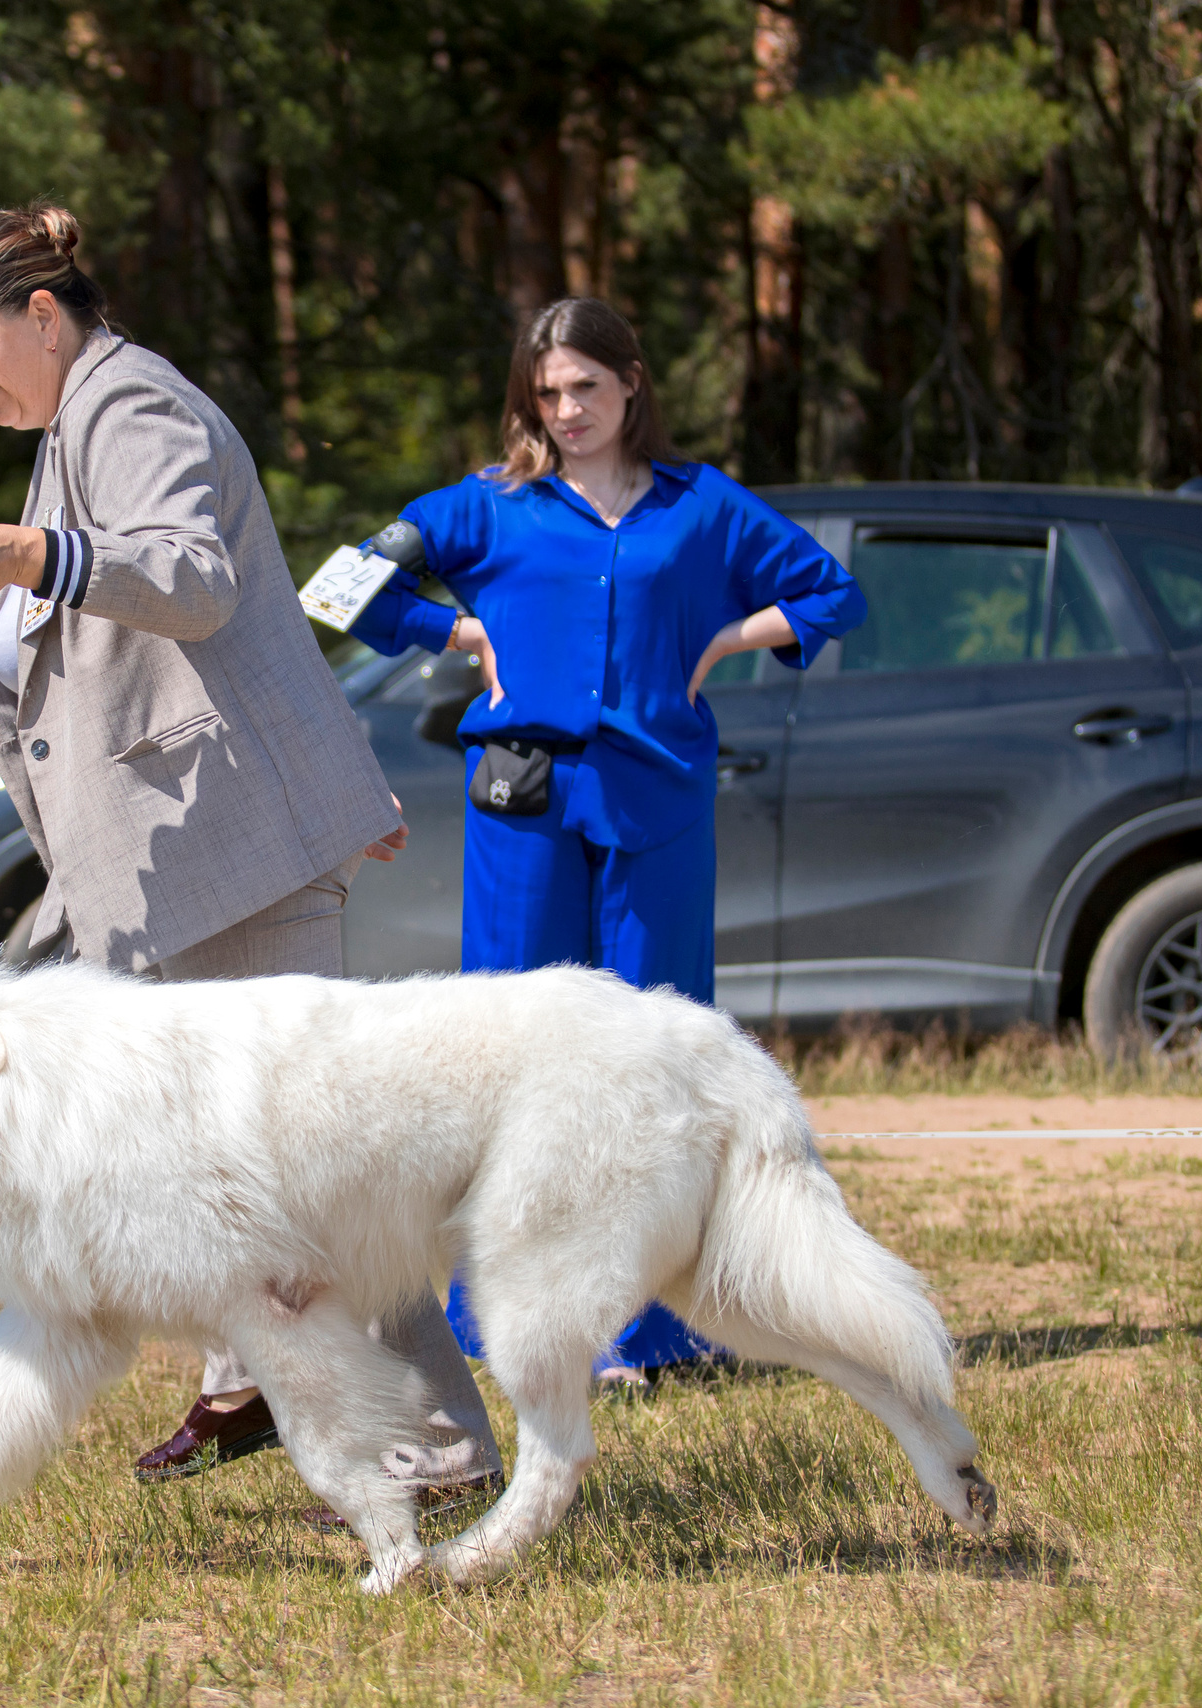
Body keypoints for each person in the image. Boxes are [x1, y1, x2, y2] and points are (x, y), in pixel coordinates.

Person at [0, 201, 502, 1509]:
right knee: (212, 1165)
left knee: (305, 1179)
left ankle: (443, 1461)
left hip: (228, 859)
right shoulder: (75, 423)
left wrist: (34, 554)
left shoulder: (128, 408)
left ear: (43, 316)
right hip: (180, 864)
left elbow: (192, 580)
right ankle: (249, 1381)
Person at [350, 296, 866, 1386]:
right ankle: (494, 1321)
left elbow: (834, 593)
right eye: (547, 392)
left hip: (659, 803)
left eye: (586, 386)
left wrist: (727, 635)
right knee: (508, 1062)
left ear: (633, 383)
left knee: (656, 1061)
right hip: (522, 807)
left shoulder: (703, 506)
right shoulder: (486, 507)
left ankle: (654, 1331)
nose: (567, 409)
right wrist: (453, 627)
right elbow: (339, 586)